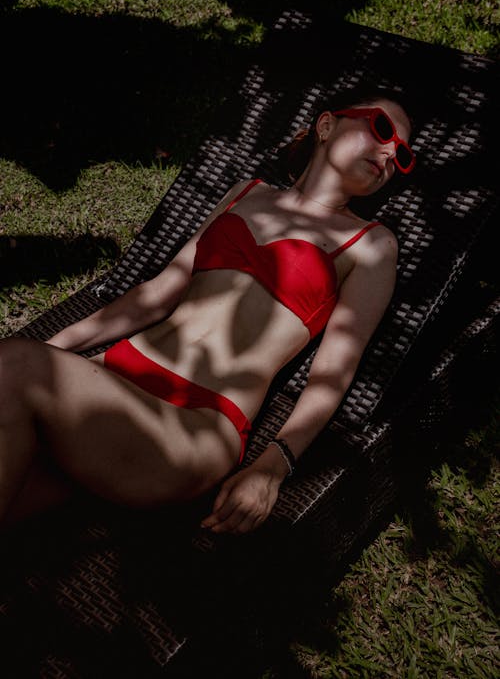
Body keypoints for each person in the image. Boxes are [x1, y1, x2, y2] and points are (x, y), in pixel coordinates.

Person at [0, 88, 415, 532]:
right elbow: (157, 294)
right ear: (327, 124)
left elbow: (332, 376)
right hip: (112, 374)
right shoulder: (246, 193)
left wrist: (272, 468)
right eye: (381, 128)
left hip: (196, 421)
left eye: (403, 156)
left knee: (16, 361)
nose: (390, 152)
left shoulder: (372, 244)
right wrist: (50, 347)